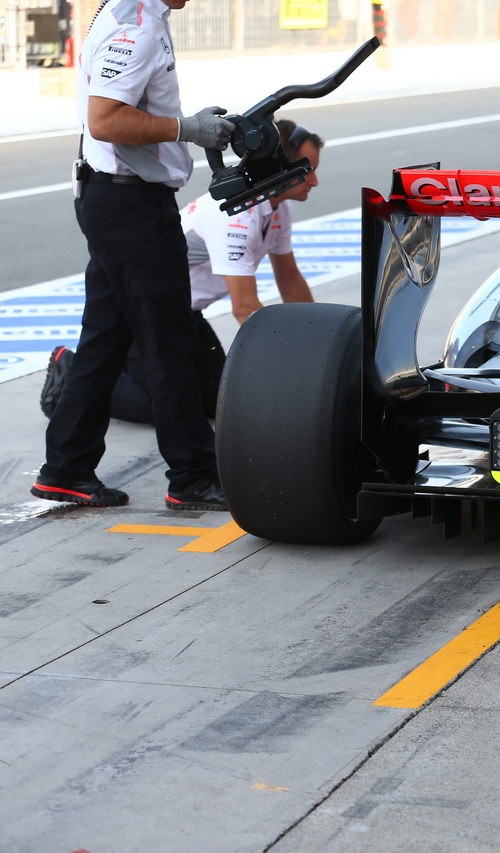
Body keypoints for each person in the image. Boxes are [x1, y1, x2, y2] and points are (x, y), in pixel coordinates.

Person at [32, 0, 234, 512]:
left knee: (105, 340)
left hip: (114, 198)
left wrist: (184, 123)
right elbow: (105, 119)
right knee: (168, 341)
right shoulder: (137, 25)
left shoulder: (128, 12)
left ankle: (66, 468)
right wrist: (186, 129)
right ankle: (191, 476)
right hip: (131, 205)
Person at [42, 119, 324, 425]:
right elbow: (245, 308)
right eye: (307, 170)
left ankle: (125, 364)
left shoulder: (277, 207)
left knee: (214, 402)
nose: (314, 181)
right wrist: (293, 366)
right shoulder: (237, 216)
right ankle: (69, 369)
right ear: (276, 168)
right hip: (143, 312)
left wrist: (317, 344)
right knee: (165, 406)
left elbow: (290, 279)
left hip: (183, 311)